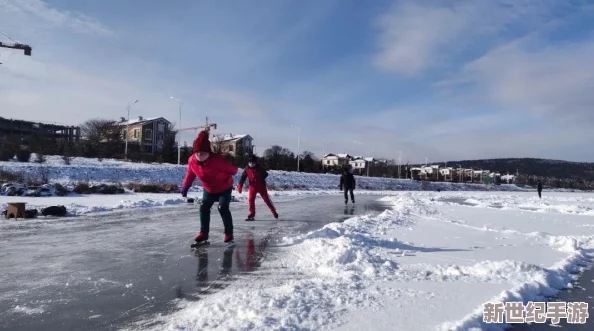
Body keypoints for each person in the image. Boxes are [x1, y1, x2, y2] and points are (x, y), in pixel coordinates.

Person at [180, 130, 238, 243]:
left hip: (224, 188)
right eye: (197, 152)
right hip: (209, 189)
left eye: (202, 152)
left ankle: (229, 233)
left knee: (223, 208)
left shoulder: (217, 160)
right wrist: (186, 186)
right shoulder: (192, 161)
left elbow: (233, 170)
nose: (199, 154)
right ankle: (203, 233)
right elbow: (190, 174)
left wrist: (232, 170)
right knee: (204, 207)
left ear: (208, 152)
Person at [237, 155, 278, 221]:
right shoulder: (247, 169)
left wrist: (261, 179)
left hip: (261, 187)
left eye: (253, 163)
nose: (251, 164)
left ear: (256, 162)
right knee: (251, 200)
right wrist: (240, 185)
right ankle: (252, 214)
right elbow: (243, 177)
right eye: (250, 162)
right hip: (252, 187)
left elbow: (266, 174)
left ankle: (274, 211)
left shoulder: (260, 168)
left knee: (266, 200)